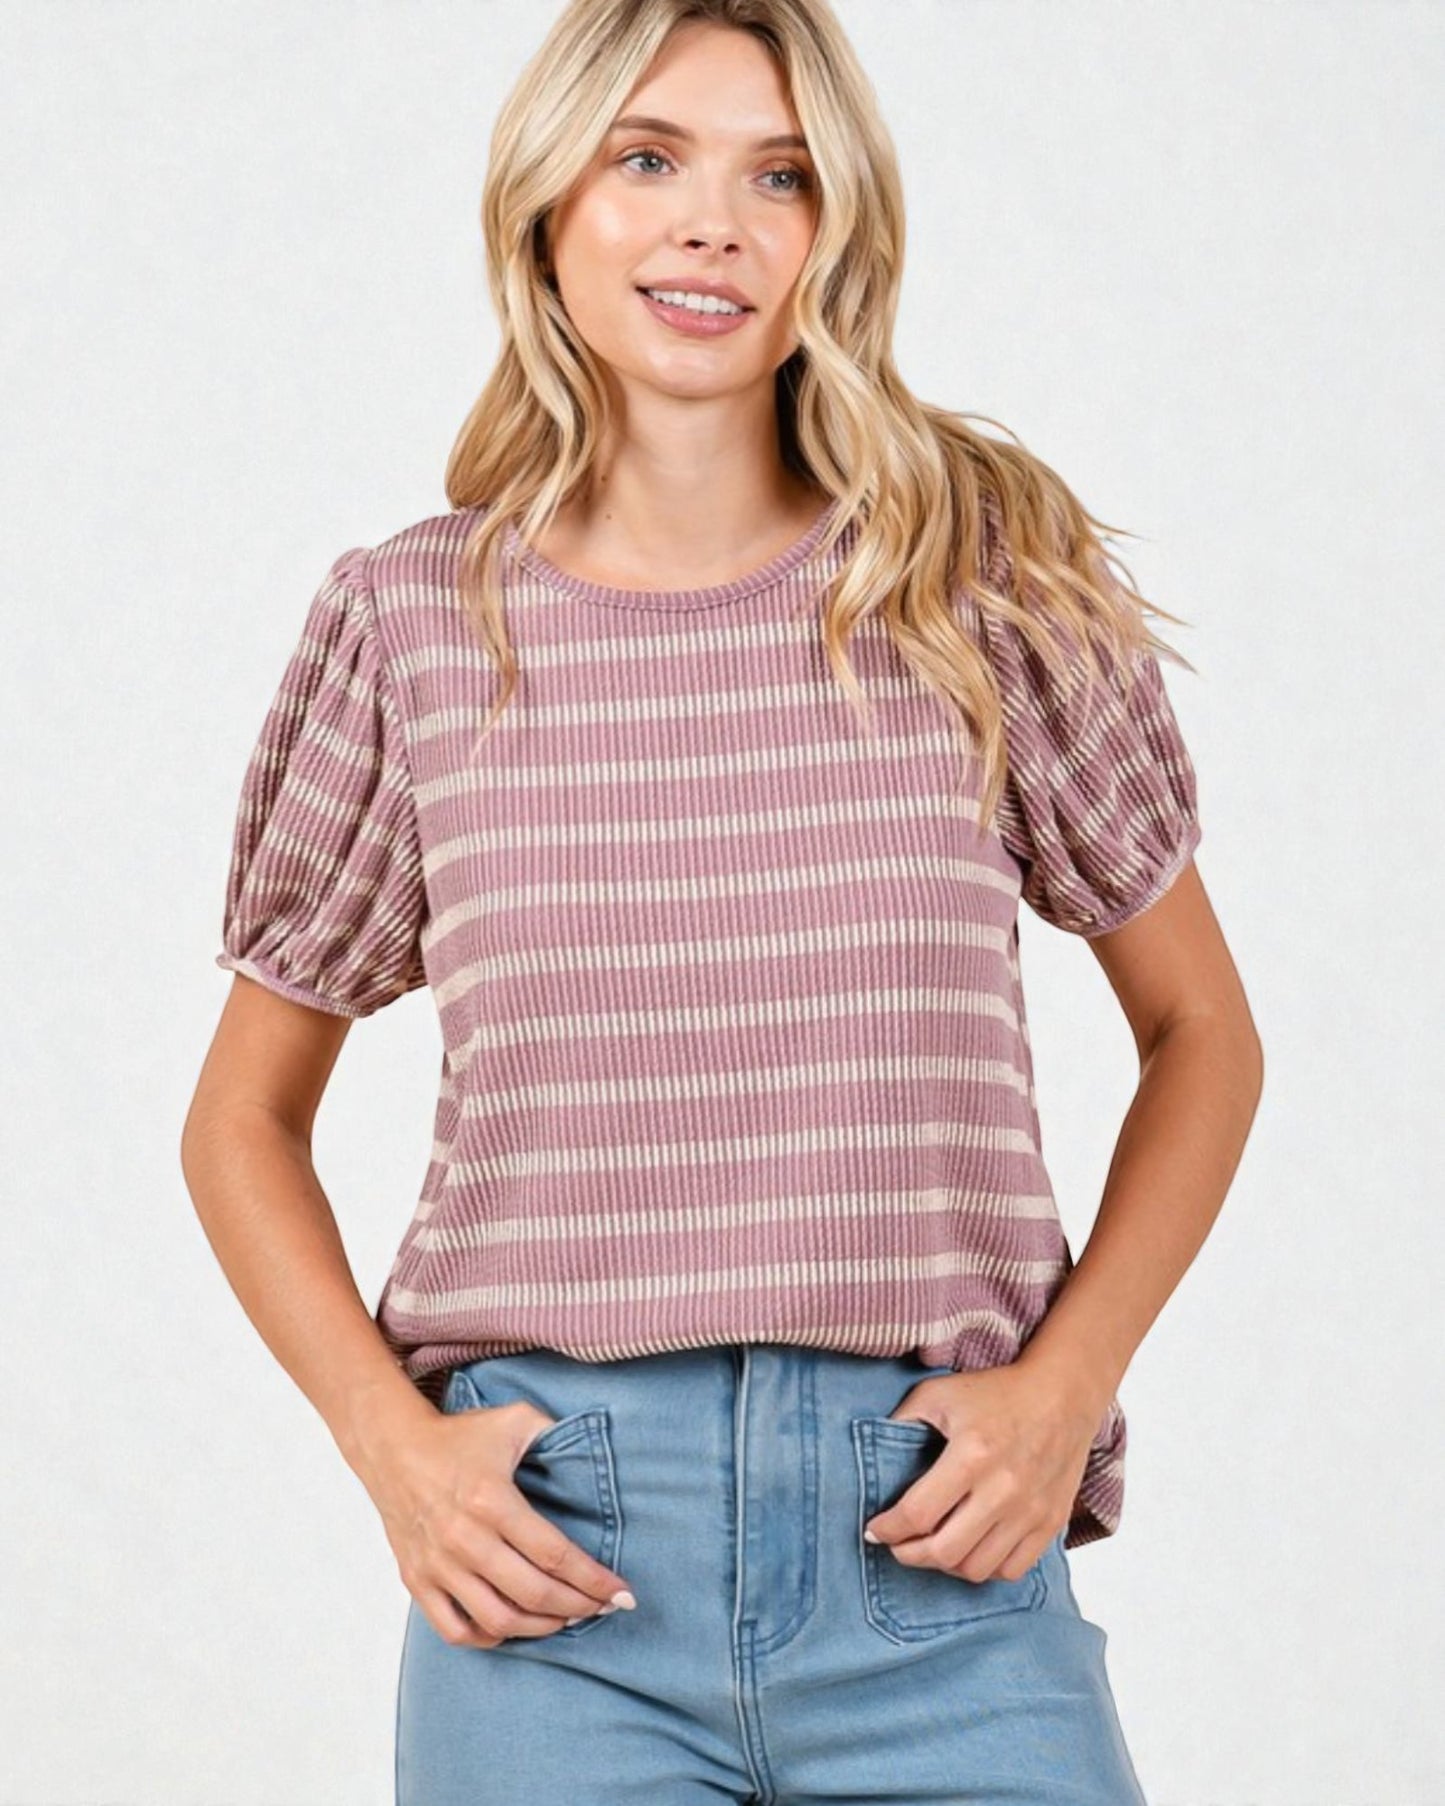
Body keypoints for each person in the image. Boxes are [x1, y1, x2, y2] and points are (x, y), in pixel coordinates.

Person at [180, 2, 1264, 1801]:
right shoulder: (414, 630)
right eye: (648, 159)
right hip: (556, 1574)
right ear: (547, 208)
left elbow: (1201, 1032)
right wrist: (395, 1450)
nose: (715, 222)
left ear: (838, 235)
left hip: (932, 1554)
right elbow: (240, 1116)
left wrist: (1066, 1385)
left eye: (781, 175)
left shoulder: (973, 593)